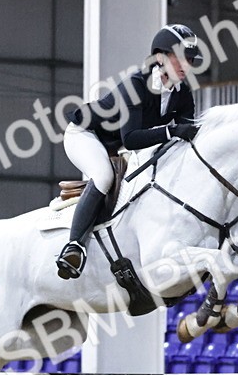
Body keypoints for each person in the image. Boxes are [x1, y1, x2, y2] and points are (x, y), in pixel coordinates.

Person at [55, 24, 205, 280]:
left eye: (190, 60)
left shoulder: (182, 93)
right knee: (104, 176)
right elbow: (133, 139)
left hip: (115, 145)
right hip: (85, 134)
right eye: (180, 58)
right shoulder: (137, 85)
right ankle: (74, 247)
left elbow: (187, 136)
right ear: (160, 57)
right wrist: (171, 131)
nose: (186, 65)